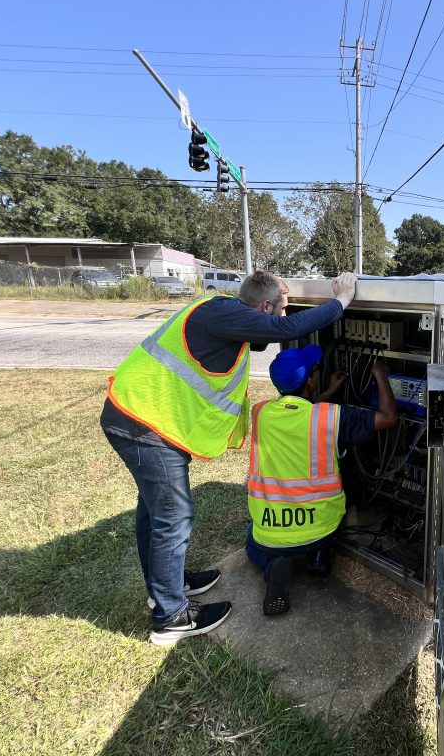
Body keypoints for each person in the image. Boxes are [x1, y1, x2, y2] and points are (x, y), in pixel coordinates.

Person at [101, 271, 358, 646]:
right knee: (173, 516)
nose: (284, 319)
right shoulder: (219, 314)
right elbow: (287, 331)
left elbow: (262, 338)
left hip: (147, 421)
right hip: (143, 424)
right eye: (282, 310)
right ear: (265, 307)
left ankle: (170, 586)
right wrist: (341, 302)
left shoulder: (224, 317)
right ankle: (171, 616)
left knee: (154, 513)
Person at [245, 345, 398, 616]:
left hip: (271, 528)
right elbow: (388, 418)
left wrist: (327, 392)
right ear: (311, 381)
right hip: (323, 525)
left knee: (252, 540)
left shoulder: (260, 412)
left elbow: (297, 414)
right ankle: (319, 555)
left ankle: (273, 566)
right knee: (349, 477)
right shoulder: (331, 415)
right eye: (314, 371)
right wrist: (380, 373)